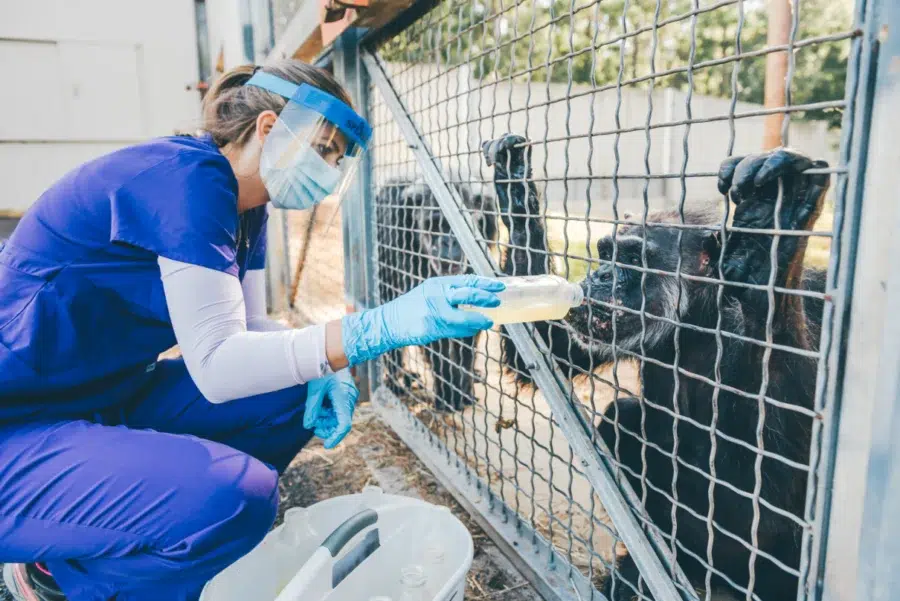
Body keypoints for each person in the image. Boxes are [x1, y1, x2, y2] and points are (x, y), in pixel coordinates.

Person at [0, 61, 504, 601]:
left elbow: (250, 327)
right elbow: (218, 366)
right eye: (325, 150)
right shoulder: (185, 182)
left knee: (290, 389)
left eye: (337, 160)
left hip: (92, 399)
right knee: (236, 500)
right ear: (268, 129)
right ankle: (63, 580)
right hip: (18, 422)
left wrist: (323, 368)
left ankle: (121, 543)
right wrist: (379, 327)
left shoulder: (246, 206)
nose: (330, 170)